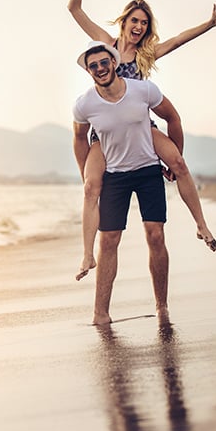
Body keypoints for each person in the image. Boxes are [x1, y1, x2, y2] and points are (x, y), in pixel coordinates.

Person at [69, 0, 216, 279]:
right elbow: (74, 9)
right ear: (125, 21)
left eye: (144, 23)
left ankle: (201, 225)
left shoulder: (147, 54)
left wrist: (210, 24)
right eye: (135, 21)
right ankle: (87, 256)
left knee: (179, 163)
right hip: (106, 133)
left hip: (142, 127)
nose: (139, 27)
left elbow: (179, 39)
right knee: (91, 187)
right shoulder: (106, 46)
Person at [73, 41, 182, 325]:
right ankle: (100, 313)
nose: (99, 68)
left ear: (114, 62)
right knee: (108, 239)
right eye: (93, 65)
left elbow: (171, 116)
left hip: (146, 167)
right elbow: (79, 137)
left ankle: (162, 307)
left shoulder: (142, 90)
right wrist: (85, 171)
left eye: (103, 62)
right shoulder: (84, 103)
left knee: (155, 235)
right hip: (114, 174)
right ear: (88, 70)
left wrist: (174, 157)